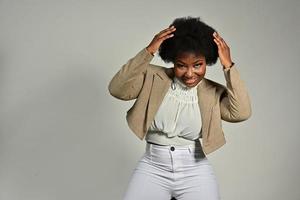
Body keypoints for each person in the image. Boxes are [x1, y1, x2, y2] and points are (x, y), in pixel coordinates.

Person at [108, 16, 251, 200]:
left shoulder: (212, 92)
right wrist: (149, 51)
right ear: (173, 61)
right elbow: (117, 89)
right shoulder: (152, 77)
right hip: (153, 167)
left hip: (195, 170)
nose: (190, 74)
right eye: (181, 66)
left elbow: (242, 112)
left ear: (207, 61)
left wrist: (228, 66)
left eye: (197, 65)